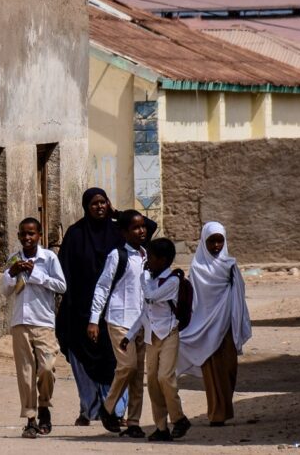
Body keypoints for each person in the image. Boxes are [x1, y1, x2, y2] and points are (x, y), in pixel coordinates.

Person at [55, 188, 122, 426]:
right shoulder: (75, 234)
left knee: (113, 360)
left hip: (112, 311)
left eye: (103, 202)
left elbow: (148, 229)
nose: (99, 207)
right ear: (86, 206)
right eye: (94, 203)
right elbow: (64, 272)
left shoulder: (118, 232)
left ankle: (114, 409)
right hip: (79, 310)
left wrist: (118, 214)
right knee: (81, 360)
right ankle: (89, 409)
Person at [178, 221, 252, 428]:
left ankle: (225, 408)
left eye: (220, 241)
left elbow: (239, 294)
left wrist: (237, 321)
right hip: (205, 327)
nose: (216, 246)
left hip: (227, 325)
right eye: (212, 241)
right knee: (212, 372)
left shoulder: (230, 266)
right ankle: (216, 414)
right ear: (204, 242)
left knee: (228, 369)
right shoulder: (197, 267)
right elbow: (194, 300)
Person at [87, 209, 150, 438]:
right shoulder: (117, 255)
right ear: (123, 232)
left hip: (142, 322)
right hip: (119, 320)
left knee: (137, 374)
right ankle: (108, 407)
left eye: (142, 226)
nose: (141, 230)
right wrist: (94, 319)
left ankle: (133, 421)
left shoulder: (146, 255)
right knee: (128, 365)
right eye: (135, 227)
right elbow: (102, 287)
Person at [2, 218, 67, 438]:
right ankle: (30, 419)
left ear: (39, 235)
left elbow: (62, 285)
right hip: (20, 323)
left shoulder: (48, 258)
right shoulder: (14, 258)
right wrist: (12, 273)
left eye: (32, 234)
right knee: (26, 373)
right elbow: (5, 290)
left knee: (47, 367)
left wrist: (36, 275)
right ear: (19, 236)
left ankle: (44, 406)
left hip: (44, 323)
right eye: (23, 234)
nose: (27, 238)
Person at [124, 237, 190, 441]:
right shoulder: (152, 279)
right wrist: (129, 335)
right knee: (152, 381)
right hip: (152, 337)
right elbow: (146, 312)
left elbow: (151, 297)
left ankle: (179, 419)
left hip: (169, 333)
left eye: (150, 257)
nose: (147, 261)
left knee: (165, 378)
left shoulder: (172, 281)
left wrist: (143, 277)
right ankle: (161, 427)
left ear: (161, 260)